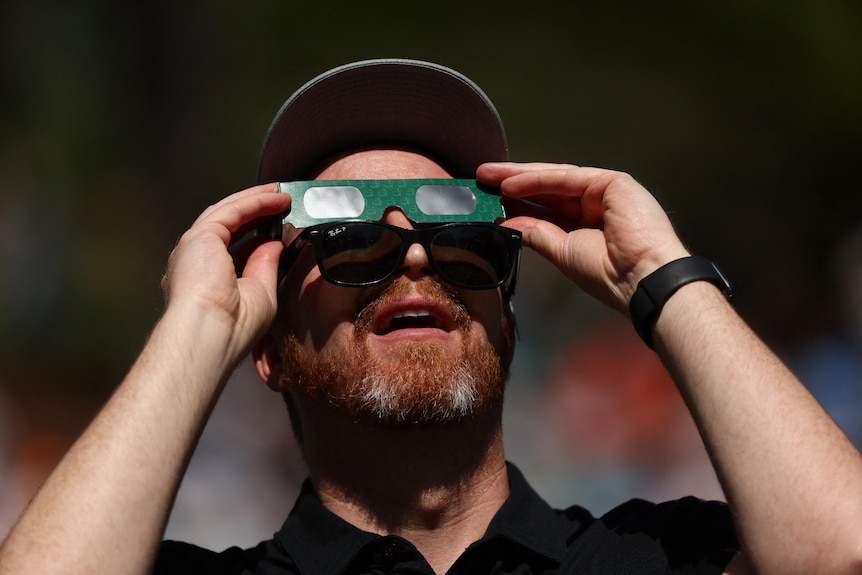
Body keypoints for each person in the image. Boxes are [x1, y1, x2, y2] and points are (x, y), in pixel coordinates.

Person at [1, 58, 861, 575]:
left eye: (458, 234)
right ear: (267, 347)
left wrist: (661, 279)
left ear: (510, 324)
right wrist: (194, 328)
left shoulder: (653, 555)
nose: (415, 255)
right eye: (347, 236)